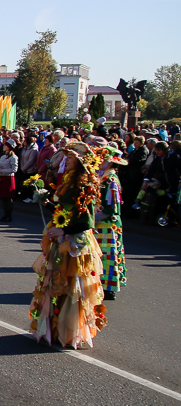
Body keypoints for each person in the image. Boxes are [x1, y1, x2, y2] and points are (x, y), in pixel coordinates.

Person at [28, 142, 107, 348]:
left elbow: (86, 221)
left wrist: (64, 230)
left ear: (81, 164)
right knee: (57, 284)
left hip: (73, 243)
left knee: (72, 286)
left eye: (70, 158)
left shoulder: (81, 186)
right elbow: (64, 210)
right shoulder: (69, 182)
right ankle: (55, 328)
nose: (66, 161)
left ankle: (68, 330)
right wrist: (47, 201)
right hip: (63, 239)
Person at [95, 146, 128, 300]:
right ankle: (98, 284)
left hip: (106, 223)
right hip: (99, 221)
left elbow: (111, 208)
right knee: (99, 255)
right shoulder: (102, 176)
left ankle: (109, 288)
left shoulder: (110, 180)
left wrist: (95, 218)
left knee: (108, 256)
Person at [0, 139, 19, 222]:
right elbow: (1, 166)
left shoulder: (13, 157)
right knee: (3, 198)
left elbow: (14, 169)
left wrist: (3, 171)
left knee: (8, 198)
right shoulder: (3, 156)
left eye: (6, 146)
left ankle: (9, 215)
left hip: (9, 178)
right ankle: (5, 215)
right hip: (3, 177)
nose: (4, 146)